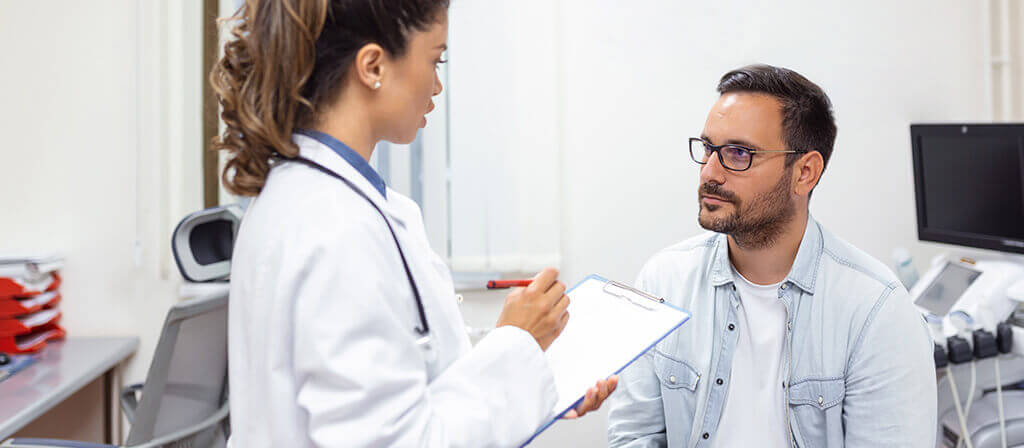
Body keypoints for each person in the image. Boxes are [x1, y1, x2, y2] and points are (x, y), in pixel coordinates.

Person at [210, 1, 615, 446]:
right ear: (372, 66)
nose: (438, 85)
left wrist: (529, 365)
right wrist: (516, 346)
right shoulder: (335, 228)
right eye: (434, 59)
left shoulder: (317, 200)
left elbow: (408, 375)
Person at [606, 64, 936, 447]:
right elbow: (633, 436)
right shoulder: (663, 281)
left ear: (805, 173)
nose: (710, 172)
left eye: (738, 153)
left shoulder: (876, 310)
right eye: (708, 149)